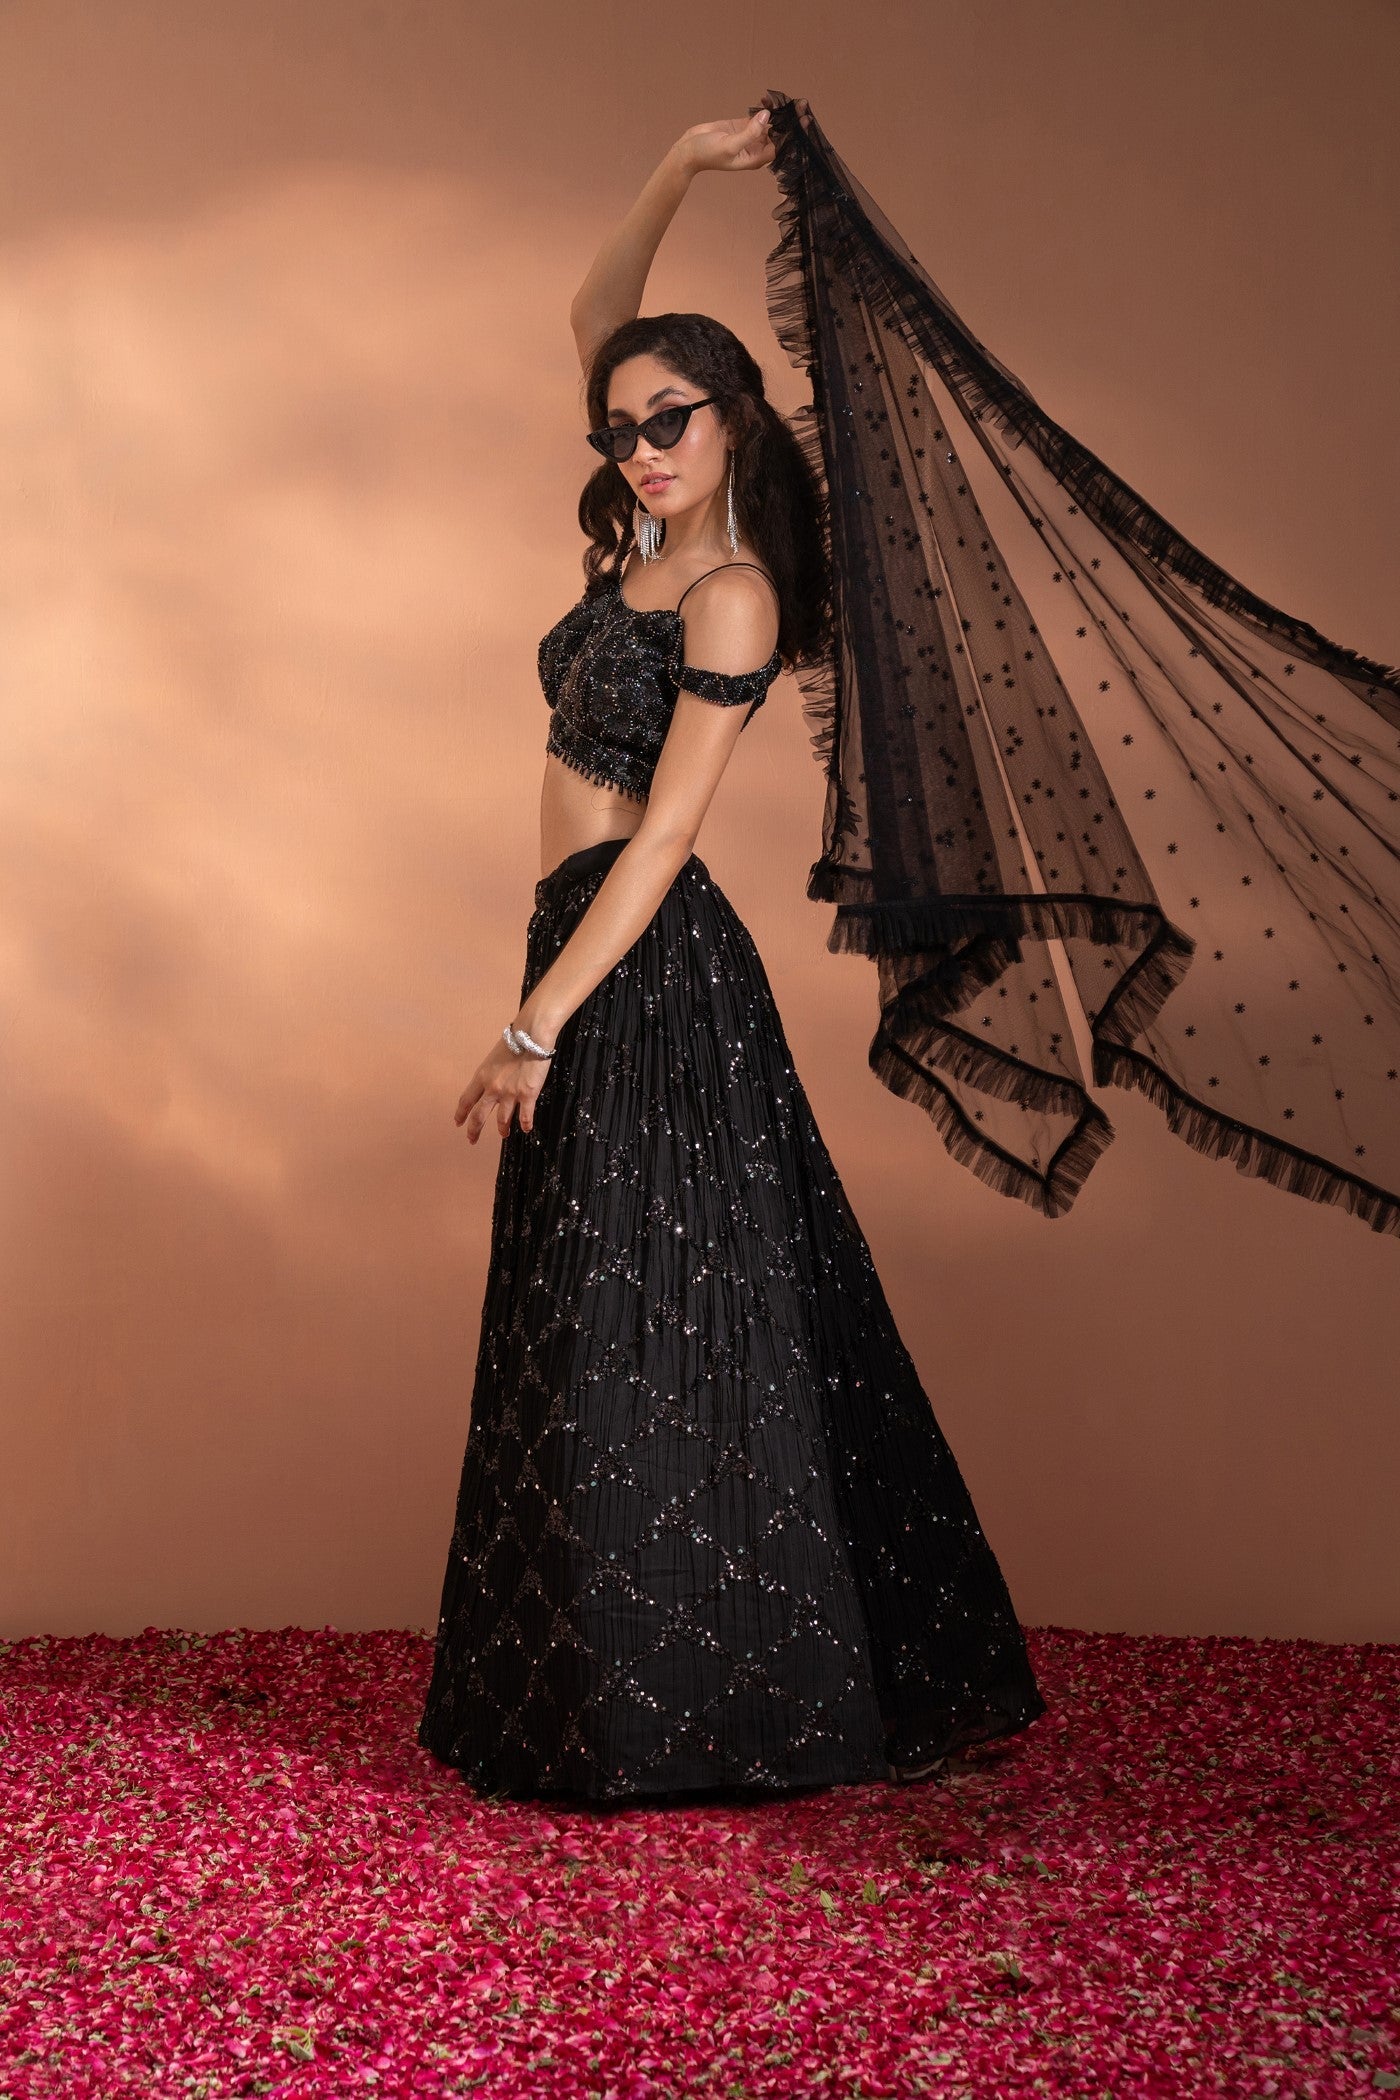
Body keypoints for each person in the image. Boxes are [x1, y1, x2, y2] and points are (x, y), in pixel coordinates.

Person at [415, 107, 1048, 1806]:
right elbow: (595, 315)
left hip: (644, 970)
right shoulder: (638, 544)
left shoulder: (735, 595)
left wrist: (535, 1023)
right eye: (621, 427)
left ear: (733, 417)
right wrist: (682, 167)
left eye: (670, 420)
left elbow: (664, 839)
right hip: (581, 947)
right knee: (593, 1324)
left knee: (663, 1330)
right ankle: (610, 1697)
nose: (639, 447)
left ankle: (710, 1707)